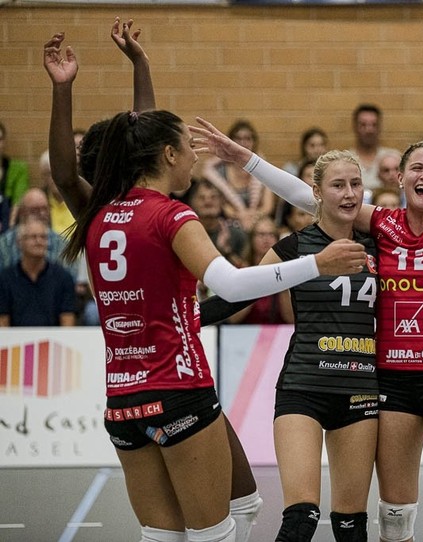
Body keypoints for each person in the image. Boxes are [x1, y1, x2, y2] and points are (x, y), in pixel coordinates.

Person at [43, 23, 364, 542]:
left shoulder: (102, 212)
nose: (195, 156)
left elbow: (75, 167)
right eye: (186, 148)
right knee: (217, 530)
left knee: (181, 530)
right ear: (167, 155)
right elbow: (233, 287)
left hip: (123, 399)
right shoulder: (170, 217)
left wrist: (78, 84)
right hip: (179, 388)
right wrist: (317, 265)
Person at [193, 50, 423, 542]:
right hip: (392, 379)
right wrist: (243, 159)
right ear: (399, 179)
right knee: (395, 520)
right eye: (416, 167)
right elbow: (314, 196)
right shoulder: (382, 225)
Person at [199, 150, 379, 542]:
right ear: (315, 192)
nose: (349, 194)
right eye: (337, 185)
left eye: (355, 184)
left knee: (352, 526)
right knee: (301, 518)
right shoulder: (295, 246)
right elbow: (238, 294)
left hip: (360, 391)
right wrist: (186, 320)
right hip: (303, 388)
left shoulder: (380, 245)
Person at [201, 119, 276, 231]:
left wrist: (252, 217)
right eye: (238, 138)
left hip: (258, 223)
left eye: (247, 138)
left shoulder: (262, 168)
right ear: (230, 141)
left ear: (254, 142)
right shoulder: (220, 171)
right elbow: (221, 205)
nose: (243, 143)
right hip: (229, 223)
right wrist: (240, 217)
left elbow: (267, 207)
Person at [0, 215, 76, 327]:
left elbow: (68, 324)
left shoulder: (63, 278)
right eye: (33, 237)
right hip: (15, 343)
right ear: (19, 242)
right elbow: (2, 325)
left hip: (54, 342)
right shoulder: (4, 279)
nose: (39, 241)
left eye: (43, 237)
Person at [224, 216, 293, 325]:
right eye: (261, 234)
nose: (266, 239)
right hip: (245, 335)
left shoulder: (286, 271)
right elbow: (233, 319)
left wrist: (283, 280)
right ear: (251, 238)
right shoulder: (240, 271)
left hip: (280, 336)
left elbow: (291, 319)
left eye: (271, 235)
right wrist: (255, 279)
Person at [187, 179, 248, 268]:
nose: (208, 202)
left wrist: (227, 252)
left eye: (213, 197)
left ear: (222, 202)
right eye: (201, 198)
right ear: (192, 202)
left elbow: (247, 270)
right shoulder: (186, 233)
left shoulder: (237, 234)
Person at [350, 103, 398, 190]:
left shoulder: (393, 158)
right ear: (355, 127)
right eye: (363, 125)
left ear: (380, 127)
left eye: (374, 125)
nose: (369, 130)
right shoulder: (346, 159)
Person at [0, 120, 30, 233]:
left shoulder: (18, 169)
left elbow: (19, 201)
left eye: (0, 139)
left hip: (9, 226)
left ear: (4, 142)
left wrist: (9, 231)